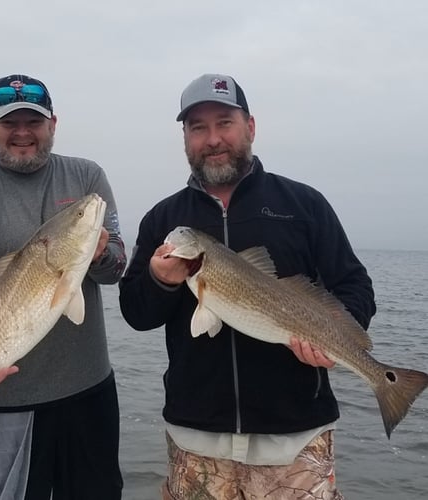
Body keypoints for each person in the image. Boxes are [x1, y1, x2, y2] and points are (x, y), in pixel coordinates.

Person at [119, 73, 376, 499]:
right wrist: (159, 281)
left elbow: (353, 285)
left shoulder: (303, 205)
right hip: (195, 437)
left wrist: (331, 335)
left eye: (225, 122)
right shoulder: (164, 219)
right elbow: (136, 313)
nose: (213, 138)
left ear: (250, 127)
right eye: (198, 127)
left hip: (296, 438)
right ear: (185, 138)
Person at [0, 74, 126, 500]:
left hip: (90, 390)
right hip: (6, 399)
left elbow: (117, 268)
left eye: (33, 122)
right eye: (8, 123)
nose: (22, 133)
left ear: (52, 124)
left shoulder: (87, 178)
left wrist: (98, 255)